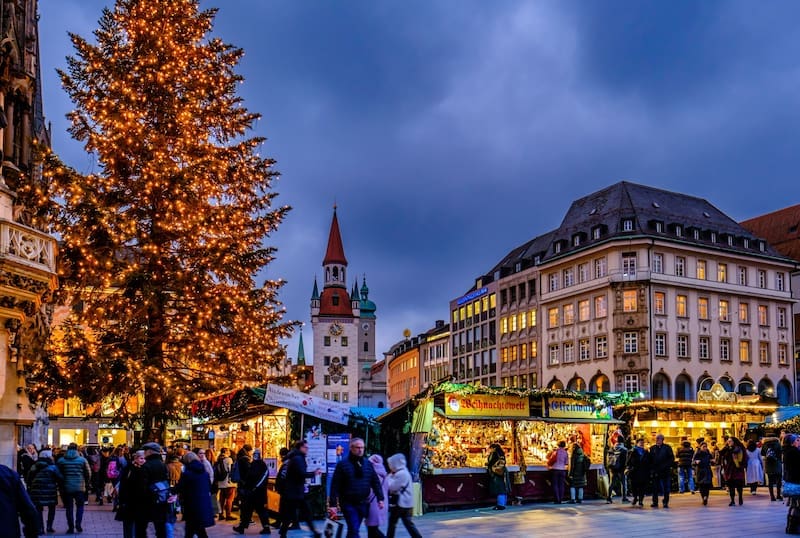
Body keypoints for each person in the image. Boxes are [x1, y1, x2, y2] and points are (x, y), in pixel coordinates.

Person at [328, 438, 384, 538]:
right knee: (354, 529)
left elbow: (375, 481)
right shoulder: (342, 465)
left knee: (353, 529)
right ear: (351, 448)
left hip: (363, 502)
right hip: (348, 502)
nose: (360, 450)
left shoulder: (367, 464)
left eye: (362, 447)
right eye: (358, 447)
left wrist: (380, 498)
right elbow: (335, 485)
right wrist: (333, 505)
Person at [278, 440, 321, 538]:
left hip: (295, 491)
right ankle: (314, 532)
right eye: (305, 447)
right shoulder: (298, 458)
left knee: (297, 513)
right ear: (300, 448)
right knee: (303, 512)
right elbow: (301, 474)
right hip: (295, 492)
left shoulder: (296, 457)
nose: (307, 449)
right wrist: (314, 473)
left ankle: (283, 532)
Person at [176, 452, 215, 538]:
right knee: (197, 529)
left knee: (192, 529)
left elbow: (180, 488)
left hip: (192, 505)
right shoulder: (205, 473)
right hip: (203, 504)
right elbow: (209, 487)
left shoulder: (187, 474)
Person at [56, 442, 91, 533]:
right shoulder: (82, 460)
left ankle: (71, 527)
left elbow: (58, 473)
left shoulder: (61, 460)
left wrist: (61, 482)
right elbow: (88, 473)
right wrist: (86, 482)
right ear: (77, 449)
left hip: (66, 487)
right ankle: (78, 524)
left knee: (69, 508)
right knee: (80, 506)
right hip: (79, 487)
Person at [234, 448, 271, 535]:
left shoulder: (261, 465)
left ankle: (266, 527)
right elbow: (249, 477)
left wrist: (255, 487)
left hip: (258, 492)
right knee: (247, 509)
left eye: (256, 454)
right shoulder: (254, 464)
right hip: (252, 492)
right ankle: (242, 527)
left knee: (260, 510)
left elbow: (263, 477)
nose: (255, 456)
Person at [139, 442, 172, 538]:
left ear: (150, 452)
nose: (144, 453)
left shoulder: (146, 466)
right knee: (160, 527)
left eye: (145, 451)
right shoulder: (163, 465)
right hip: (161, 499)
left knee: (141, 528)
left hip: (148, 501)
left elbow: (143, 486)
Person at [26, 449, 63, 534]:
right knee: (51, 508)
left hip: (36, 490)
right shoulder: (53, 467)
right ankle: (49, 526)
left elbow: (29, 477)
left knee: (38, 509)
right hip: (50, 490)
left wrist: (31, 486)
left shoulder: (35, 465)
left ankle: (40, 528)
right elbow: (60, 478)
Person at [386, 453, 422, 538]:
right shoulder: (404, 472)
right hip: (407, 503)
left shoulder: (401, 474)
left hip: (401, 503)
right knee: (408, 523)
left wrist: (389, 477)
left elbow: (392, 487)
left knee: (392, 523)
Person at [0, 463, 39, 538]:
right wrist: (31, 533)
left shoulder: (9, 475)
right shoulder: (9, 474)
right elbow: (28, 509)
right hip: (6, 531)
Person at [116, 450, 148, 538]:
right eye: (141, 458)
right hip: (129, 501)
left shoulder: (145, 469)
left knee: (139, 526)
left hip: (140, 502)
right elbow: (123, 484)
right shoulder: (129, 468)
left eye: (144, 459)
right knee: (128, 525)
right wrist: (122, 500)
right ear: (136, 458)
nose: (143, 460)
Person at [648, 433, 674, 508]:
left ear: (662, 440)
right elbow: (650, 459)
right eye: (656, 439)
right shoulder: (652, 448)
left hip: (665, 470)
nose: (657, 440)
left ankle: (665, 501)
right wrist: (652, 468)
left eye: (659, 439)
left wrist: (666, 465)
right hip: (655, 471)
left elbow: (671, 458)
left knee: (666, 487)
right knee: (655, 487)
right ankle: (655, 502)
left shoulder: (667, 448)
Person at [366, 454, 388, 538]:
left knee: (372, 529)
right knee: (372, 529)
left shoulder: (373, 474)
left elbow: (370, 490)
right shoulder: (384, 473)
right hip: (382, 503)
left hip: (373, 505)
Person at [721, 436, 747, 506]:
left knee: (739, 485)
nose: (728, 442)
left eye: (730, 441)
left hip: (737, 468)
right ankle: (732, 500)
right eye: (728, 441)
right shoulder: (727, 449)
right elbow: (721, 454)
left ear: (734, 442)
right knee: (730, 485)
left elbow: (743, 458)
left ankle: (740, 497)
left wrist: (742, 466)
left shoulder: (739, 448)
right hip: (729, 469)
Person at [626, 438, 650, 508]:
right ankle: (635, 497)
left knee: (642, 487)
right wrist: (629, 468)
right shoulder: (632, 451)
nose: (642, 444)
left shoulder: (646, 452)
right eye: (640, 442)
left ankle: (640, 500)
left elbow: (649, 461)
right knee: (634, 486)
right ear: (637, 443)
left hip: (643, 472)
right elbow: (628, 461)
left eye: (643, 443)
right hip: (635, 472)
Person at [486, 443, 510, 510]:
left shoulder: (494, 453)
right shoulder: (501, 453)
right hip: (502, 471)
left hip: (497, 472)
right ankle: (503, 503)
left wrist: (487, 464)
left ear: (493, 448)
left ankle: (500, 505)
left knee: (499, 489)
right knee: (503, 488)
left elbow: (491, 462)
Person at [784, 434, 800, 534]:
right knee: (797, 505)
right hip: (796, 481)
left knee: (794, 505)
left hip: (792, 481)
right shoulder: (793, 452)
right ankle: (792, 527)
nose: (799, 442)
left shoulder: (787, 451)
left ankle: (790, 527)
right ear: (792, 442)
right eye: (797, 440)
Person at [216, 447, 236, 521]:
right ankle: (228, 515)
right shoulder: (229, 460)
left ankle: (221, 514)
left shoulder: (218, 459)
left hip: (221, 482)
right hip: (228, 483)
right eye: (228, 451)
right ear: (226, 452)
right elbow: (231, 471)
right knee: (229, 499)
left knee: (222, 499)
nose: (230, 452)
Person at [606, 436, 628, 503]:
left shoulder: (612, 448)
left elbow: (608, 458)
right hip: (621, 469)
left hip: (613, 468)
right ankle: (624, 498)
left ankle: (609, 498)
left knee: (611, 483)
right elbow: (625, 461)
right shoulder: (624, 450)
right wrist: (625, 468)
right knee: (623, 484)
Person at [761, 435, 783, 501]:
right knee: (778, 480)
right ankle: (778, 495)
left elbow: (762, 453)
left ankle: (772, 497)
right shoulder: (778, 444)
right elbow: (780, 453)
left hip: (768, 464)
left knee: (770, 481)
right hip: (777, 464)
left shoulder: (765, 444)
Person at [567, 439, 589, 504]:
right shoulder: (583, 454)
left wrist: (570, 474)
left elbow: (572, 465)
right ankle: (580, 498)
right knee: (580, 485)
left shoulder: (574, 455)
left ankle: (573, 499)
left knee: (572, 485)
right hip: (582, 472)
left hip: (575, 472)